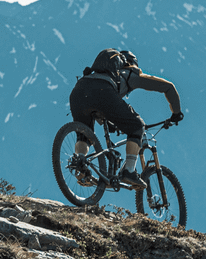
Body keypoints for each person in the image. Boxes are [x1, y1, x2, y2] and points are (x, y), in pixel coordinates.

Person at [68, 48, 183, 189]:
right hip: (103, 92)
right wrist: (176, 113)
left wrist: (112, 123)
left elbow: (100, 107)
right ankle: (129, 171)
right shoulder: (130, 73)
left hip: (78, 91)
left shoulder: (98, 73)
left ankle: (80, 163)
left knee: (84, 136)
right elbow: (168, 87)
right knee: (137, 126)